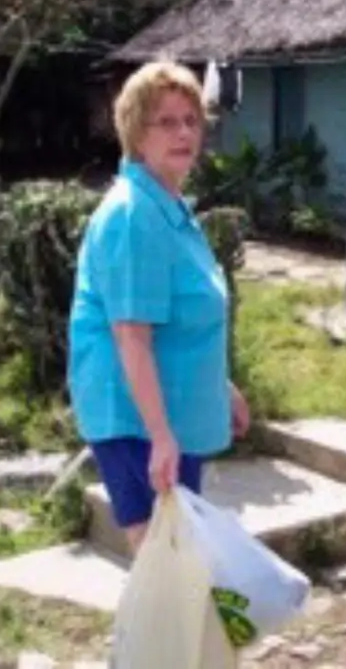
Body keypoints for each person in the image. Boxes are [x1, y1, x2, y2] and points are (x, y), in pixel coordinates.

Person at [67, 59, 250, 554]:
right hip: (136, 418)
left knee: (177, 562)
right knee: (165, 564)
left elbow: (187, 316)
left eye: (191, 120)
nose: (183, 132)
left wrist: (222, 386)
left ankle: (173, 635)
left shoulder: (169, 209)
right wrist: (160, 436)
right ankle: (161, 636)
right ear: (135, 131)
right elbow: (132, 335)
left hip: (169, 411)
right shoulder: (132, 215)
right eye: (166, 122)